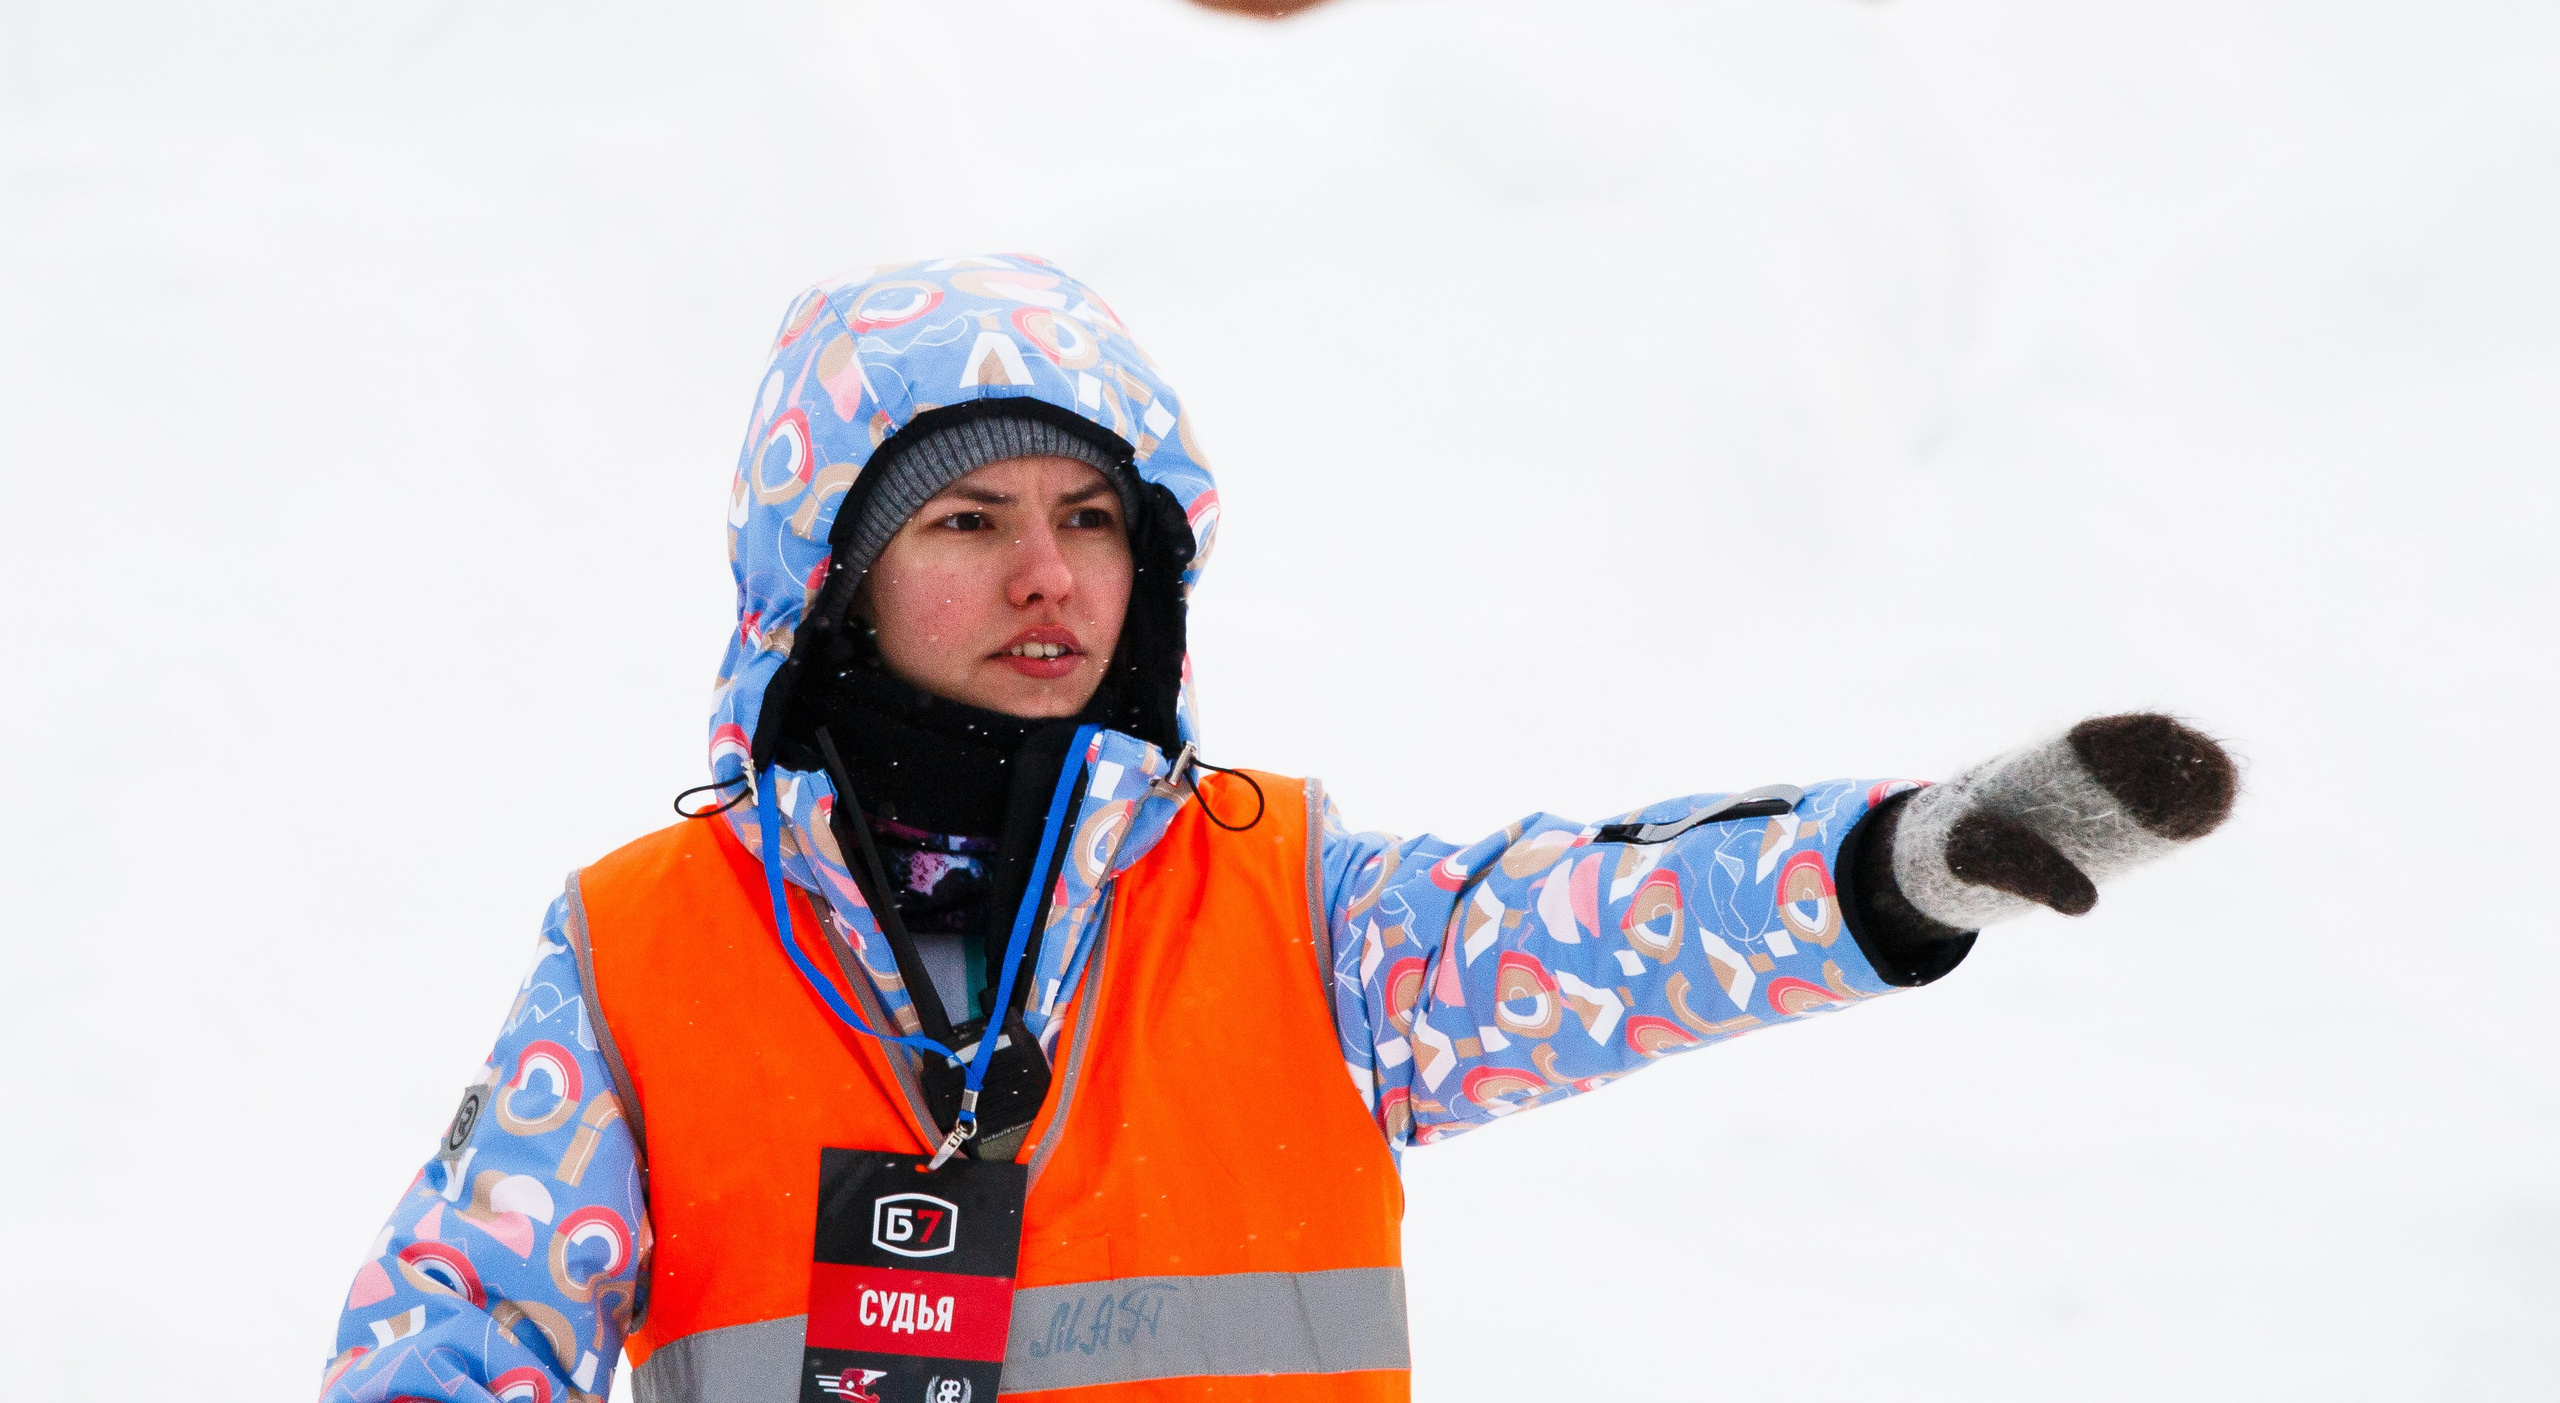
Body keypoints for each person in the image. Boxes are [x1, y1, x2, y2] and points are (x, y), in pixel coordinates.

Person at [321, 254, 2238, 1403]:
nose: (1046, 574)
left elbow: (1575, 932)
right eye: (966, 522)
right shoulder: (645, 945)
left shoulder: (1280, 898)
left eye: (1089, 521)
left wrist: (1882, 867)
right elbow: (458, 1320)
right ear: (830, 583)